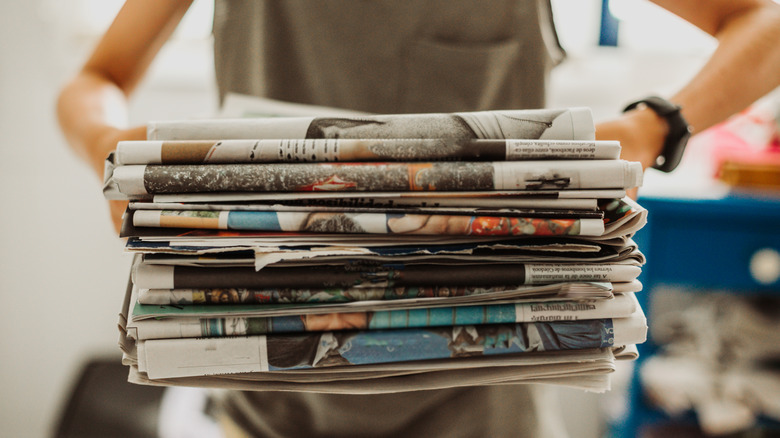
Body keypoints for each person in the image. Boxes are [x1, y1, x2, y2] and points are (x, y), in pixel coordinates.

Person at [56, 1, 780, 437]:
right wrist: (111, 153)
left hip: (487, 406)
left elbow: (763, 22)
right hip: (267, 400)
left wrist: (652, 128)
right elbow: (95, 79)